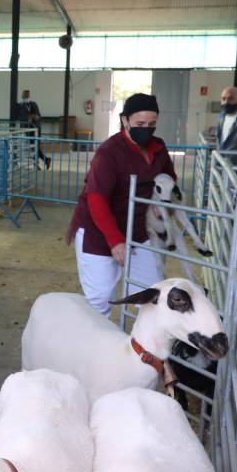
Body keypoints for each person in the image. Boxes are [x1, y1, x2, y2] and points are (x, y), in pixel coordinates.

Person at [67, 93, 176, 316]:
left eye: (151, 124)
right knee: (100, 298)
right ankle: (95, 348)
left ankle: (143, 348)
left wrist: (162, 201)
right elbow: (96, 199)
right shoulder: (109, 153)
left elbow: (169, 178)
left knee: (150, 295)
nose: (146, 129)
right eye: (140, 124)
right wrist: (115, 240)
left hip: (139, 229)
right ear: (125, 120)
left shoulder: (158, 147)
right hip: (99, 232)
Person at [16, 89, 51, 169]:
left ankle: (39, 163)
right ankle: (44, 160)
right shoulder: (20, 105)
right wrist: (28, 117)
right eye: (24, 96)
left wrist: (36, 117)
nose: (25, 97)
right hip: (27, 129)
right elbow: (20, 117)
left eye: (27, 96)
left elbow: (39, 116)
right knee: (34, 147)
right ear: (22, 96)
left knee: (36, 146)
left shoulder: (34, 104)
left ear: (29, 96)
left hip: (36, 128)